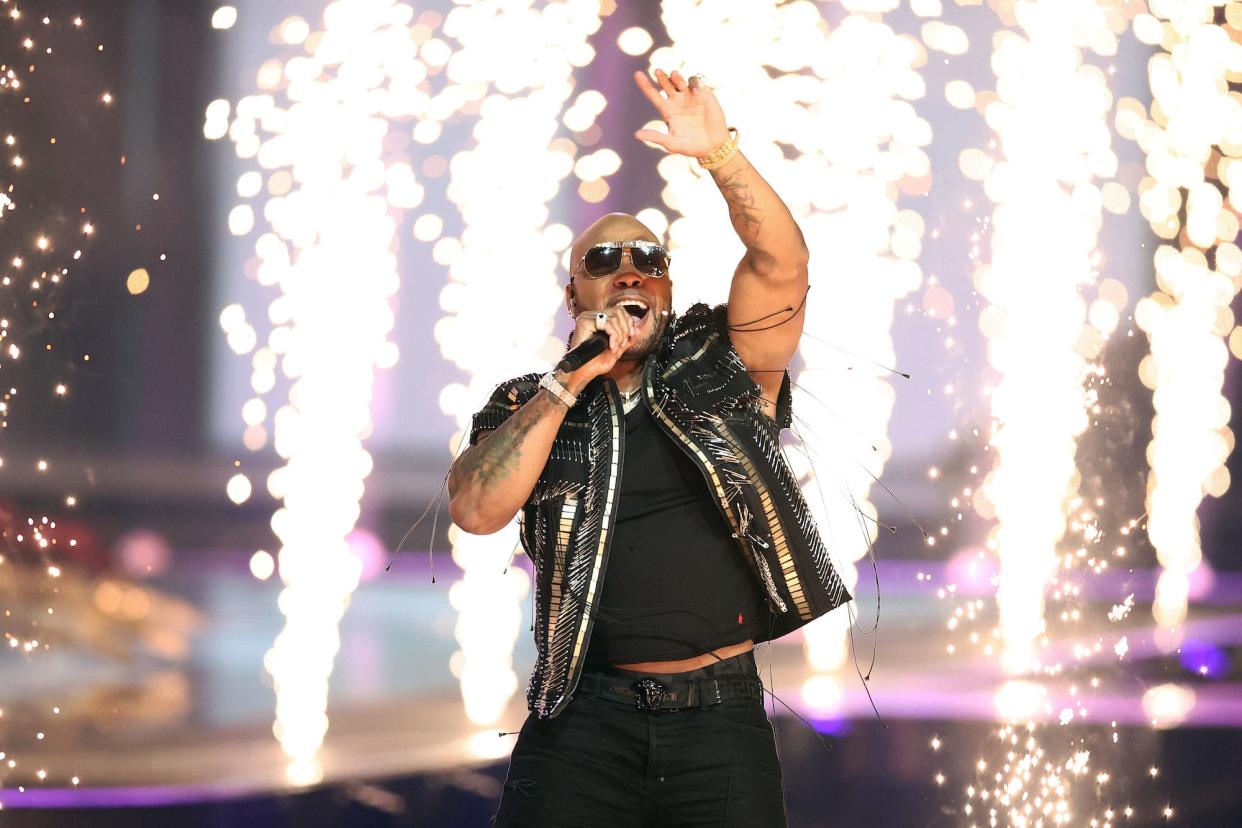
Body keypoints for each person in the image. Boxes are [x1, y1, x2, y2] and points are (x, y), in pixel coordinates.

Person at [448, 68, 850, 827]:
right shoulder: (525, 403)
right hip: (581, 724)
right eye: (604, 263)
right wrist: (574, 376)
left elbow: (782, 267)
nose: (630, 269)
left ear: (665, 286)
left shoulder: (722, 363)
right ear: (575, 298)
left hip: (718, 722)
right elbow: (474, 508)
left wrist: (721, 155)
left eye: (647, 260)